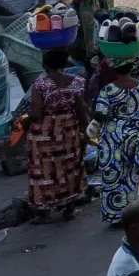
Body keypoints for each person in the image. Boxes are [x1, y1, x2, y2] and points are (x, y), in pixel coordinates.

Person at [95, 54, 139, 224]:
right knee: (134, 173)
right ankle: (136, 213)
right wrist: (136, 112)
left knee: (113, 174)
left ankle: (116, 215)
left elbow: (100, 114)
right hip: (137, 133)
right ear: (131, 68)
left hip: (114, 136)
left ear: (114, 69)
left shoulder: (107, 90)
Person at [23, 49, 89, 222]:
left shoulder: (40, 85)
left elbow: (36, 114)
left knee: (44, 172)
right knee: (70, 168)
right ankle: (70, 209)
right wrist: (86, 129)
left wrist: (24, 122)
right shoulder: (77, 82)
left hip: (45, 134)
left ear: (45, 65)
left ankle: (45, 213)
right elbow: (81, 109)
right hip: (68, 132)